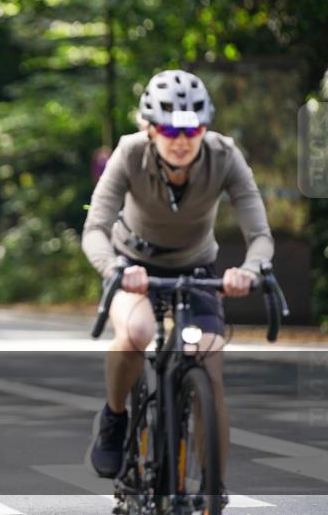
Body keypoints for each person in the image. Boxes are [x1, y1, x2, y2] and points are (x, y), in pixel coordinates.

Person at [81, 70, 274, 506]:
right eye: (169, 128)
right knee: (136, 333)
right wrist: (113, 267)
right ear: (150, 128)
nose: (181, 139)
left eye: (192, 128)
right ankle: (114, 417)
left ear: (204, 127)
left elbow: (259, 232)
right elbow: (95, 227)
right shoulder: (130, 153)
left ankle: (213, 487)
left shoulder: (224, 156)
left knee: (208, 357)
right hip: (133, 265)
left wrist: (251, 269)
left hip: (198, 268)